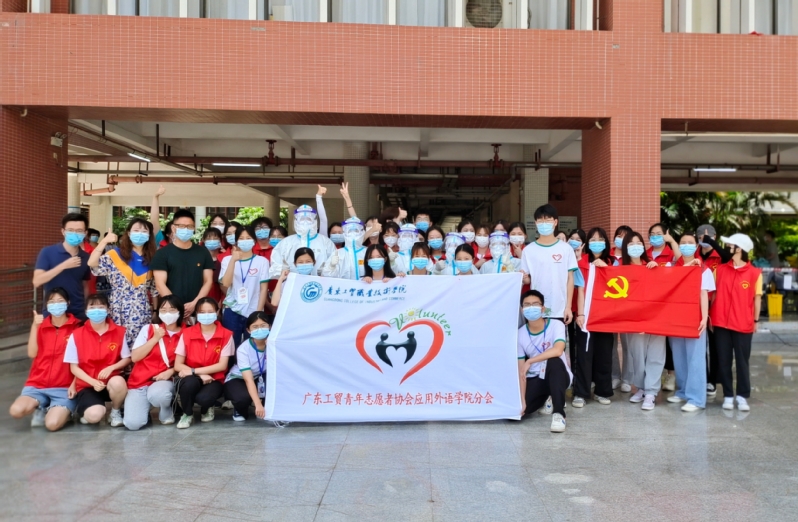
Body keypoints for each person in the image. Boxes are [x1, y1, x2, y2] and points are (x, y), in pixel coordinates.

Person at [9, 288, 79, 431]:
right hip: (37, 385)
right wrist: (35, 326)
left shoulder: (78, 327)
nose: (56, 304)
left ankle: (63, 412)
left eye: (60, 301)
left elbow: (84, 361)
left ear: (68, 303)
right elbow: (32, 353)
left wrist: (75, 384)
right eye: (52, 301)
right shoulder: (40, 326)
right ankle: (41, 406)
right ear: (46, 305)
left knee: (52, 424)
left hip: (64, 388)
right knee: (16, 411)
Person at [710, 233, 762, 412]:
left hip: (743, 324)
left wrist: (755, 320)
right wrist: (710, 316)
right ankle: (728, 395)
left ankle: (742, 396)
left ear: (739, 249)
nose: (726, 248)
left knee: (742, 361)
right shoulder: (719, 270)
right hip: (720, 323)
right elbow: (713, 295)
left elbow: (757, 299)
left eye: (729, 245)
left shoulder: (755, 273)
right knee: (723, 360)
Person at [88, 218, 157, 348]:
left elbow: (154, 289)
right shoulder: (115, 255)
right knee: (117, 342)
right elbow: (92, 263)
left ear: (149, 235)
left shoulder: (152, 258)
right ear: (129, 233)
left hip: (141, 308)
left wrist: (155, 310)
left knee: (139, 344)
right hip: (117, 306)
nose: (140, 234)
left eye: (144, 231)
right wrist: (104, 241)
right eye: (136, 230)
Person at [64, 294, 130, 426]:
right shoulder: (76, 335)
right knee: (94, 416)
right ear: (86, 311)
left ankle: (115, 412)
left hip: (111, 381)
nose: (97, 311)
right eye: (92, 307)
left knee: (118, 383)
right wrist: (93, 382)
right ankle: (87, 411)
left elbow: (127, 358)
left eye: (101, 307)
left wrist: (112, 367)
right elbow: (74, 367)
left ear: (108, 310)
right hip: (88, 384)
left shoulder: (119, 332)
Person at [666, 232, 713, 412]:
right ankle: (683, 391)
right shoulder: (672, 267)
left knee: (695, 358)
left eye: (690, 243)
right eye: (683, 243)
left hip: (694, 319)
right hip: (675, 318)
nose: (686, 245)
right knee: (679, 357)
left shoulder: (703, 269)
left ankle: (696, 398)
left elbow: (703, 294)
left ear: (696, 246)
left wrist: (704, 317)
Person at [123, 295, 185, 430]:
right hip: (140, 382)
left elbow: (190, 361)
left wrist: (171, 371)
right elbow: (135, 357)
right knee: (133, 424)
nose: (167, 313)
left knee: (159, 395)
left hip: (164, 381)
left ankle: (166, 409)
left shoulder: (187, 332)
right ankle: (144, 409)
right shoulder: (149, 329)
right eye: (163, 310)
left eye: (172, 309)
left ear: (180, 312)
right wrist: (155, 338)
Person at [174, 297, 234, 428]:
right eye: (202, 312)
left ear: (217, 312)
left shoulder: (226, 335)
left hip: (214, 378)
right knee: (189, 384)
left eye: (210, 312)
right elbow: (178, 364)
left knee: (204, 398)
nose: (206, 315)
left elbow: (222, 365)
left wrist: (194, 371)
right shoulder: (187, 333)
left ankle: (207, 407)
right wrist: (199, 374)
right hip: (191, 376)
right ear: (196, 314)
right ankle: (187, 414)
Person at [621, 232, 665, 411]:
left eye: (638, 243)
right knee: (637, 355)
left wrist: (658, 271)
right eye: (631, 244)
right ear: (625, 248)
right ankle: (640, 387)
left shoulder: (652, 266)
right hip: (634, 320)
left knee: (656, 355)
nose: (635, 246)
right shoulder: (620, 269)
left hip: (656, 318)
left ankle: (651, 392)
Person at [571, 228, 614, 408]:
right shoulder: (581, 263)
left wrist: (607, 270)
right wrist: (580, 314)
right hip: (587, 316)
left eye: (601, 239)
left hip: (607, 317)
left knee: (604, 354)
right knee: (584, 354)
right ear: (587, 243)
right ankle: (581, 392)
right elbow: (580, 290)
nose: (597, 242)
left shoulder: (613, 262)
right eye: (593, 239)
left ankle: (602, 391)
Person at [518, 290, 571, 433]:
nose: (531, 308)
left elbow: (558, 350)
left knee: (553, 361)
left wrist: (531, 361)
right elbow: (521, 372)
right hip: (536, 377)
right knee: (519, 412)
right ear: (522, 310)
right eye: (527, 305)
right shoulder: (520, 334)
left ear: (543, 308)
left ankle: (559, 414)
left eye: (535, 304)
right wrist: (522, 401)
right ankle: (547, 398)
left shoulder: (556, 325)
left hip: (559, 375)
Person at [150, 209, 215, 319]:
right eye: (181, 226)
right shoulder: (162, 253)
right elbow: (160, 284)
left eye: (189, 226)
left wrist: (195, 304)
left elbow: (208, 281)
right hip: (171, 312)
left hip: (198, 310)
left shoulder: (203, 252)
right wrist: (176, 307)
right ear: (173, 228)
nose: (186, 229)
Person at [520, 205, 578, 324]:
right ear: (536, 223)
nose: (544, 224)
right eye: (540, 220)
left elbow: (570, 279)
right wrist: (523, 277)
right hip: (536, 309)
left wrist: (568, 307)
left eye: (547, 220)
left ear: (555, 222)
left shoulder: (566, 249)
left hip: (559, 309)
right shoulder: (528, 250)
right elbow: (528, 280)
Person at [33, 213, 92, 320]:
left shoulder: (86, 257)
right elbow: (37, 281)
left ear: (85, 233)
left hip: (78, 313)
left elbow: (85, 285)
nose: (75, 233)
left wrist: (86, 307)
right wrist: (63, 266)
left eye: (79, 231)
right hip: (53, 313)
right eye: (70, 230)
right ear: (63, 231)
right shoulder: (47, 252)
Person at [220, 226, 270, 347]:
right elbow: (226, 283)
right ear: (236, 241)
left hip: (254, 310)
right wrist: (233, 260)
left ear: (254, 240)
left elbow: (263, 289)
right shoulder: (227, 260)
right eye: (241, 238)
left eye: (248, 238)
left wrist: (258, 313)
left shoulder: (262, 261)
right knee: (231, 347)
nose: (245, 241)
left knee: (254, 345)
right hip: (232, 310)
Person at [696, 223, 726, 398]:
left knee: (714, 346)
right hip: (696, 306)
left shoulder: (720, 256)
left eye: (709, 236)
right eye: (702, 236)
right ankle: (701, 378)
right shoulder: (693, 255)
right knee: (698, 346)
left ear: (715, 238)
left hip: (715, 305)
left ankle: (712, 381)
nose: (705, 239)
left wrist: (713, 244)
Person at [224, 312, 271, 421]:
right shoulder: (243, 349)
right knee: (242, 398)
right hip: (239, 378)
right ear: (248, 330)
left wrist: (273, 347)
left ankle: (265, 406)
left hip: (260, 376)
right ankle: (240, 408)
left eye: (263, 325)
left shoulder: (274, 345)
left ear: (269, 326)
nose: (259, 329)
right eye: (255, 327)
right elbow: (248, 379)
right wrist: (257, 404)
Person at [268, 205, 336, 280]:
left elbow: (335, 267)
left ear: (314, 221)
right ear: (296, 221)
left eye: (308, 219)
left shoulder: (326, 242)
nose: (305, 222)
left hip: (320, 284)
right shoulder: (286, 243)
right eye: (302, 219)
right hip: (291, 284)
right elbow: (275, 266)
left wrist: (326, 270)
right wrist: (283, 271)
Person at [567, 228, 588, 366]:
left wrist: (578, 257)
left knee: (581, 341)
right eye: (572, 239)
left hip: (581, 308)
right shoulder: (565, 258)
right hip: (567, 306)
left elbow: (581, 285)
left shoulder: (587, 261)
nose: (574, 242)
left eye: (578, 240)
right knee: (569, 340)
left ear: (583, 244)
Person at [201, 227, 225, 303]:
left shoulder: (225, 258)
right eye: (209, 238)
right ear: (203, 240)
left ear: (220, 240)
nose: (212, 241)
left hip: (221, 297)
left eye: (215, 238)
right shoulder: (199, 257)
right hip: (202, 297)